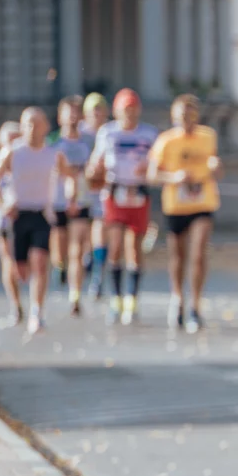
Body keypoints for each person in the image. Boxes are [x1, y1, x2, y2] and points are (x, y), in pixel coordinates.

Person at [0, 108, 78, 335]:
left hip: (41, 213)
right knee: (18, 269)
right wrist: (3, 204)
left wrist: (71, 198)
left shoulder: (53, 153)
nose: (31, 129)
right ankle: (16, 306)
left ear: (45, 127)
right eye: (27, 124)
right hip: (16, 214)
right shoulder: (13, 152)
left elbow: (70, 177)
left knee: (40, 262)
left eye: (36, 124)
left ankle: (36, 313)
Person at [149, 94, 222, 332]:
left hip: (202, 202)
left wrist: (216, 167)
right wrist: (174, 178)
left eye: (191, 115)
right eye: (182, 115)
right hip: (176, 204)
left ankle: (196, 306)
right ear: (173, 117)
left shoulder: (207, 136)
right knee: (178, 256)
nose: (187, 120)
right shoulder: (166, 141)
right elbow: (152, 175)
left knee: (198, 253)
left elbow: (216, 169)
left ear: (197, 116)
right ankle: (178, 298)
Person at [87, 89, 159, 325]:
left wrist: (149, 168)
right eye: (125, 109)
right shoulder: (108, 133)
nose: (129, 114)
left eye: (133, 109)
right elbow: (96, 162)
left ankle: (132, 299)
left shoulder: (149, 134)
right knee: (115, 244)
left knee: (135, 246)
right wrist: (95, 171)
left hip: (138, 192)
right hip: (115, 192)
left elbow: (158, 162)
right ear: (117, 111)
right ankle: (116, 299)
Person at [52, 97, 93, 316]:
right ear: (60, 117)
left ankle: (75, 295)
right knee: (61, 248)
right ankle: (60, 265)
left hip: (82, 201)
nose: (73, 117)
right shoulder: (53, 143)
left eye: (77, 112)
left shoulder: (88, 142)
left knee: (77, 249)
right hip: (58, 201)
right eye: (69, 113)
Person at [0, 121, 22, 327]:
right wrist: (3, 205)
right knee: (8, 261)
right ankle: (16, 305)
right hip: (3, 220)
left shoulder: (29, 160)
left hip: (29, 218)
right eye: (8, 142)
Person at [81, 93, 110, 300]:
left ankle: (98, 272)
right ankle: (84, 257)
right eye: (94, 111)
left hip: (102, 188)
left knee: (100, 226)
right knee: (83, 230)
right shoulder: (80, 133)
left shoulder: (110, 132)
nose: (97, 115)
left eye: (100, 110)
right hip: (82, 188)